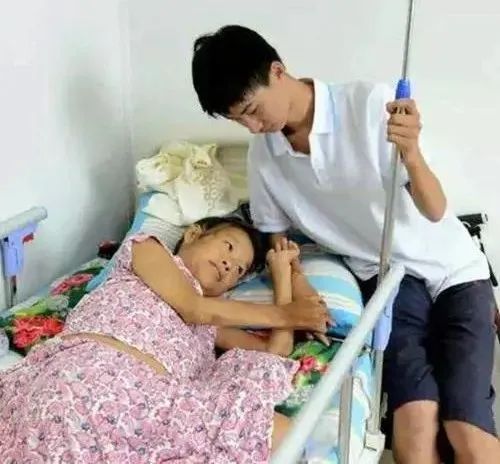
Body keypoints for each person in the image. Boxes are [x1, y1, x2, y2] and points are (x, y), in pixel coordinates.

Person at [191, 25, 500, 463]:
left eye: (253, 110)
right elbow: (278, 240)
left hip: (453, 270)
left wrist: (412, 153)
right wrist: (299, 290)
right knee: (414, 436)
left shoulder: (370, 105)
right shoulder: (265, 156)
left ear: (277, 71)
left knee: (464, 429)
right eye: (239, 119)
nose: (253, 126)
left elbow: (435, 210)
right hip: (387, 281)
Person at [0, 216, 329, 463]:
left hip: (156, 410)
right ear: (194, 233)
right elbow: (192, 307)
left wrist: (283, 277)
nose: (229, 265)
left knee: (282, 433)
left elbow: (273, 355)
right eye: (228, 247)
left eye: (239, 271)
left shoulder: (212, 323)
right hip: (89, 375)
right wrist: (290, 314)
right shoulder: (147, 249)